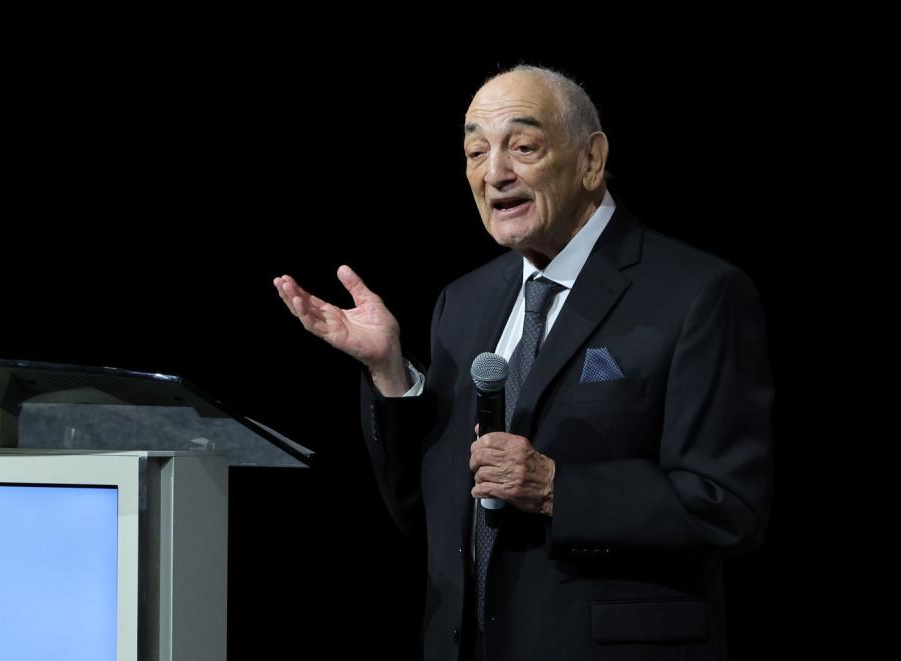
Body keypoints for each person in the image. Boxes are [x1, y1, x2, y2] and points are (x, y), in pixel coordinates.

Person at [273, 65, 774, 661]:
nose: (495, 173)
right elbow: (420, 514)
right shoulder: (463, 302)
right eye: (475, 152)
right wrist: (392, 375)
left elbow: (729, 507)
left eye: (524, 146)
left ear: (591, 160)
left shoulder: (697, 293)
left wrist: (559, 489)